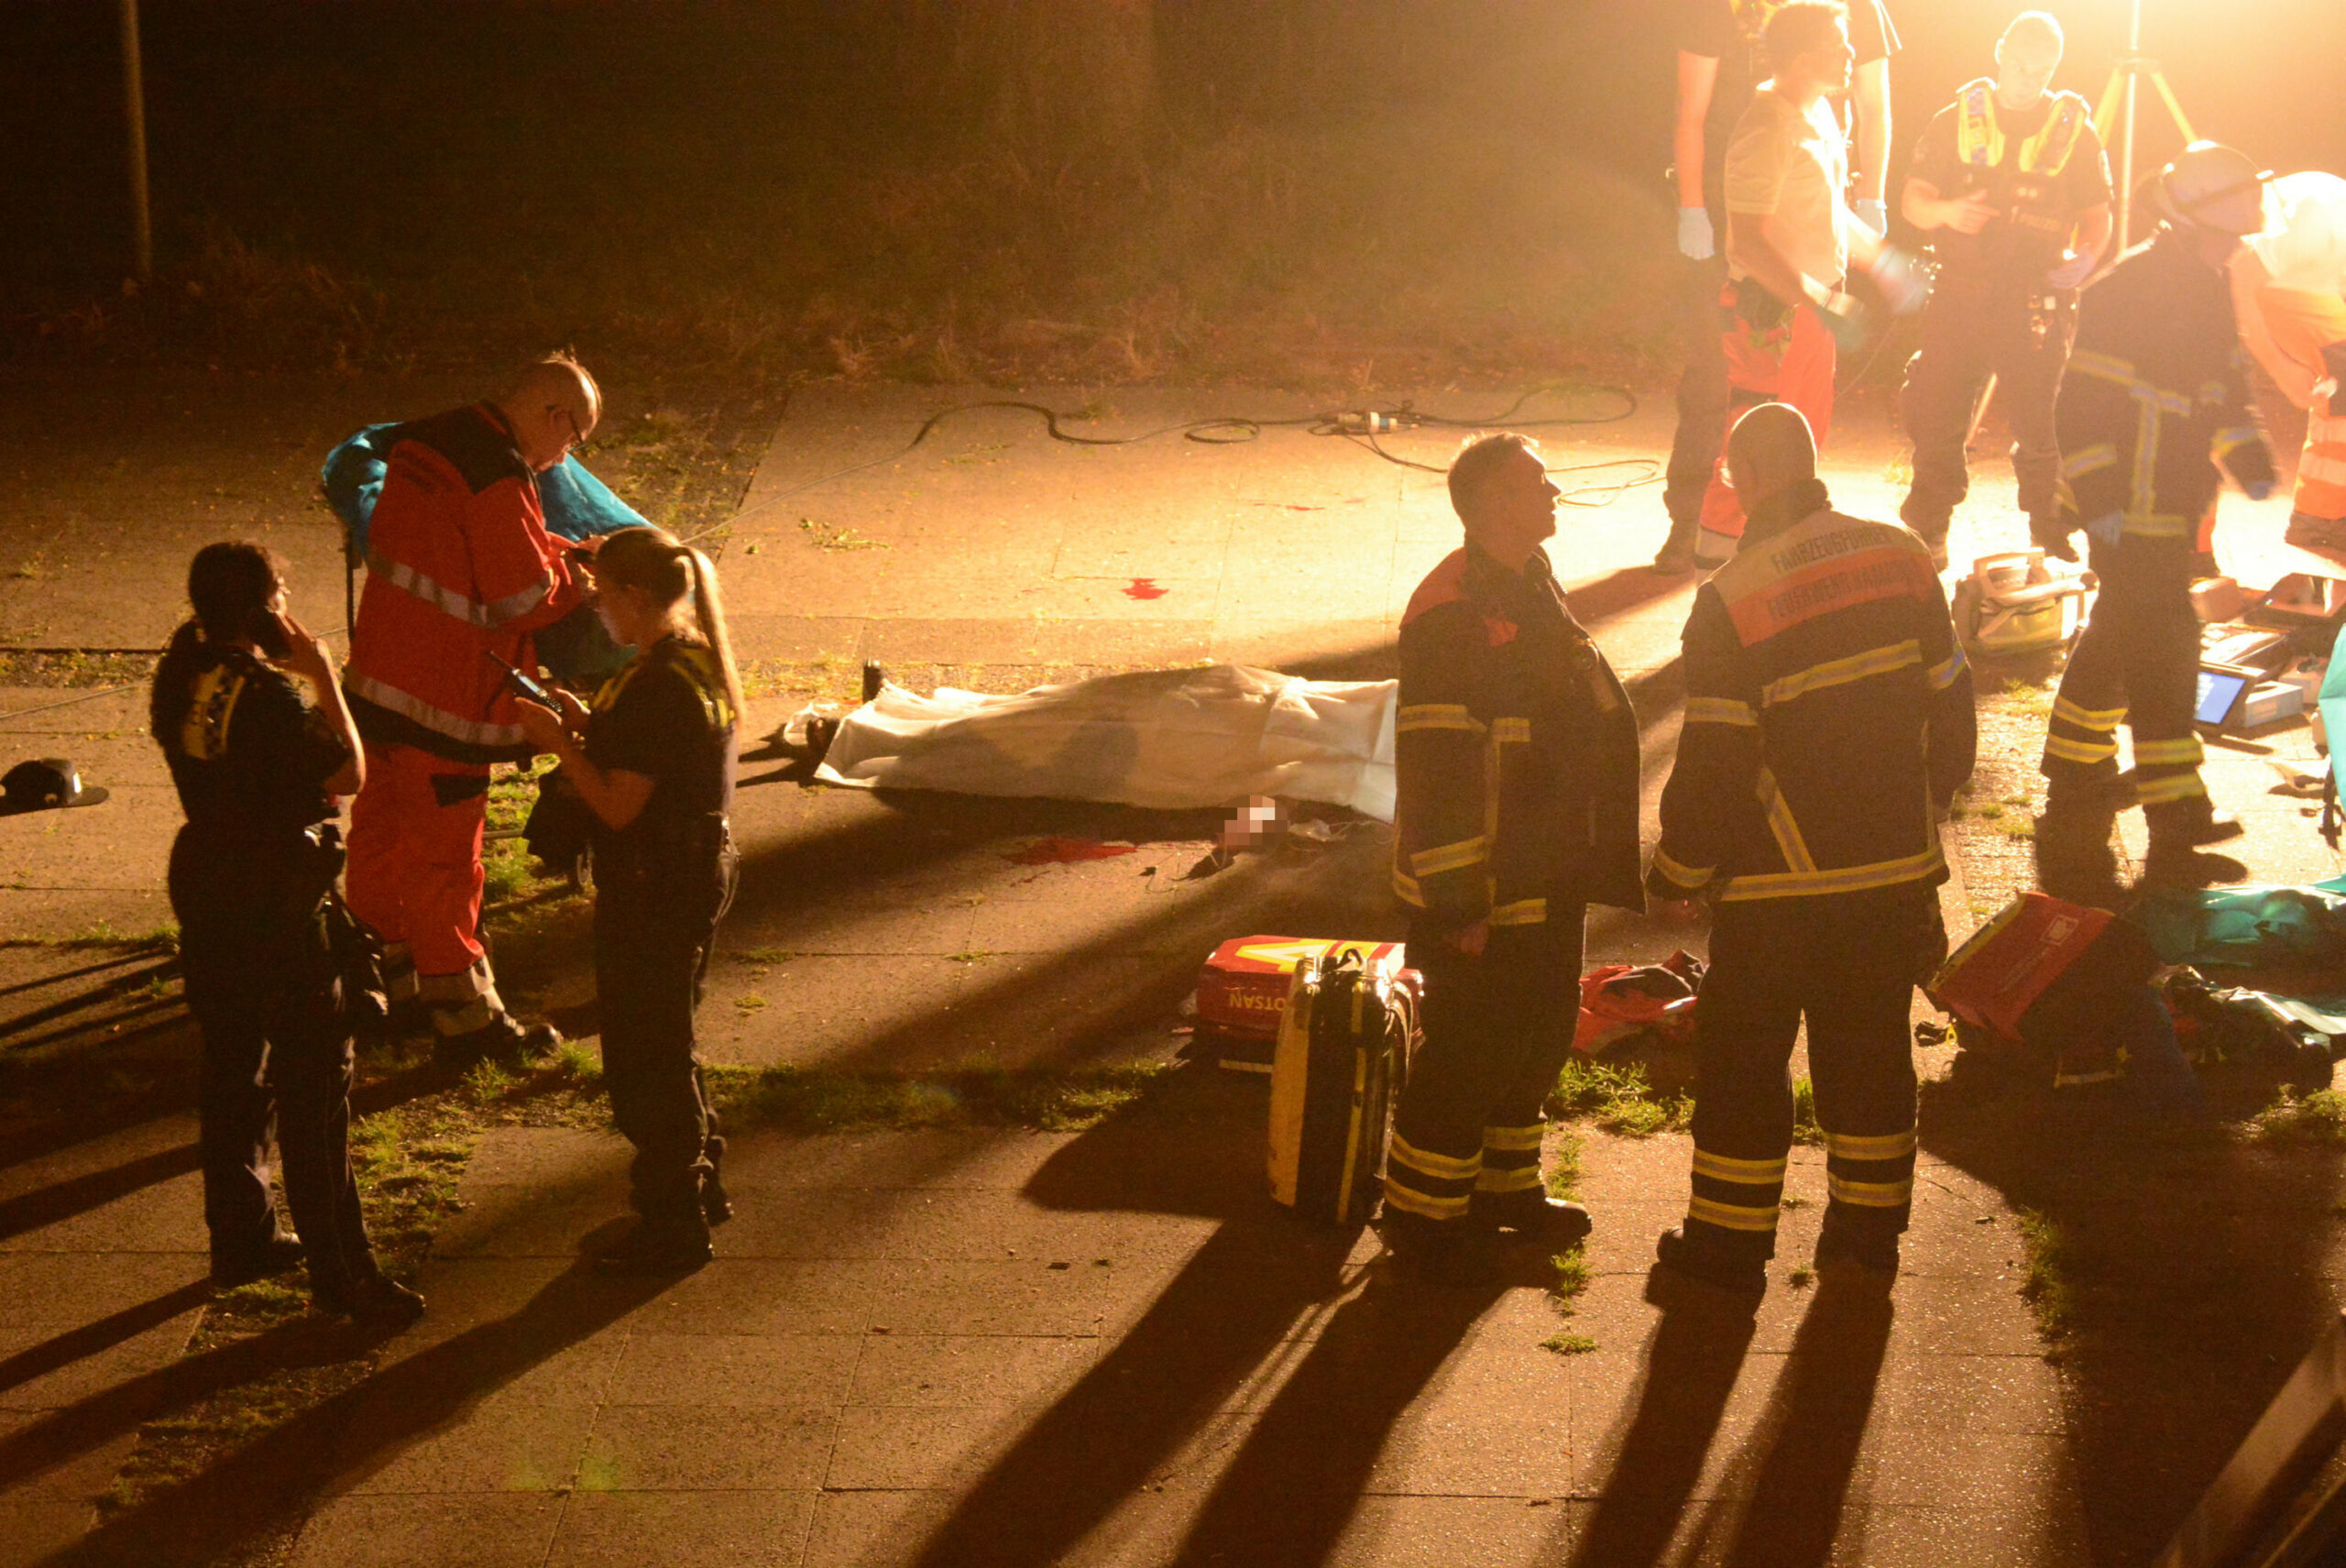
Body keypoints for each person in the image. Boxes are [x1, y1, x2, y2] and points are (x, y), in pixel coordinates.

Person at [1648, 403, 1975, 1293]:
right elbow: (1951, 692)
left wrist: (1679, 870)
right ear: (1810, 462)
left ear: (1743, 479)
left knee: (1745, 1058)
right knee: (1868, 1054)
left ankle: (1726, 1248)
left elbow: (1715, 756)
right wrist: (1931, 800)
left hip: (1777, 882)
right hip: (1891, 876)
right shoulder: (1900, 554)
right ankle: (1866, 1241)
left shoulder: (1730, 599)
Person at [1379, 434, 1645, 1286]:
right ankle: (1421, 1217)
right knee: (1467, 1049)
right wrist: (1457, 902)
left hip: (1544, 865)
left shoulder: (1524, 581)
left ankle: (1505, 1192)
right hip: (1486, 880)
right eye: (1538, 479)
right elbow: (1438, 763)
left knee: (1531, 1038)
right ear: (1494, 500)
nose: (1556, 489)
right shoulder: (1452, 609)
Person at [150, 543, 425, 1324]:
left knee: (234, 1071)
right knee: (316, 1093)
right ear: (267, 607)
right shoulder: (272, 693)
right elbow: (346, 774)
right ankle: (346, 1277)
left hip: (211, 891)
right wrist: (323, 675)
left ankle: (240, 1234)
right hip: (281, 899)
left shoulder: (182, 674)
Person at [341, 356, 600, 1061]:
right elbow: (521, 598)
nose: (564, 457)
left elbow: (459, 553)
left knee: (379, 836)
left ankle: (378, 986)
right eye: (573, 438)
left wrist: (554, 549)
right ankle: (463, 1018)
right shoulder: (499, 474)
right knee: (446, 860)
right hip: (447, 702)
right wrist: (578, 577)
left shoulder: (430, 443)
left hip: (379, 683)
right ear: (552, 415)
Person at [2036, 143, 2279, 889]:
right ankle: (2177, 815)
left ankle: (2075, 771)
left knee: (2119, 636)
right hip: (2128, 506)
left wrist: (2250, 458)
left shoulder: (2206, 283)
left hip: (2165, 504)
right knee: (2165, 651)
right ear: (2206, 216)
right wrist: (2101, 499)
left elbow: (2219, 392)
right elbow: (2078, 405)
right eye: (2236, 221)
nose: (2243, 236)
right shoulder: (2129, 288)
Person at [514, 527, 743, 1276]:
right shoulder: (693, 663)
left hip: (654, 883)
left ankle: (670, 1217)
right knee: (670, 1033)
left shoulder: (654, 686)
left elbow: (617, 805)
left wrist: (560, 743)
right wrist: (587, 722)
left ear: (636, 597)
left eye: (601, 592)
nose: (593, 604)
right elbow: (662, 760)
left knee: (646, 1052)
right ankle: (698, 1180)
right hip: (689, 868)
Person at [1681, 1, 1930, 572]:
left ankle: (1785, 557)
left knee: (1800, 441)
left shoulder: (1817, 114)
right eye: (1837, 43)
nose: (1850, 53)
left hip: (1812, 310)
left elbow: (1831, 210)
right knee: (1752, 444)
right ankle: (1717, 567)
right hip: (1768, 315)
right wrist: (1816, 301)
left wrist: (1888, 263)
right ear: (1799, 56)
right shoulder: (1766, 125)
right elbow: (1745, 242)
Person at [1896, 11, 2113, 570]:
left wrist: (2086, 256)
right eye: (2019, 64)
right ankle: (1929, 529)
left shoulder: (2075, 131)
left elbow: (2099, 214)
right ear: (1998, 53)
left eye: (2042, 70)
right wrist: (1947, 210)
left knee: (2045, 424)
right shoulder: (1954, 120)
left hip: (2036, 298)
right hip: (1961, 293)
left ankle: (2052, 535)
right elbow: (1913, 200)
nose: (2028, 78)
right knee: (1938, 412)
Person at [2230, 171, 2346, 553]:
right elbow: (2243, 279)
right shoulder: (2314, 211)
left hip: (2305, 296)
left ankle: (2319, 516)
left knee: (2338, 391)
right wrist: (2280, 368)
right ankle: (2324, 519)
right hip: (2281, 297)